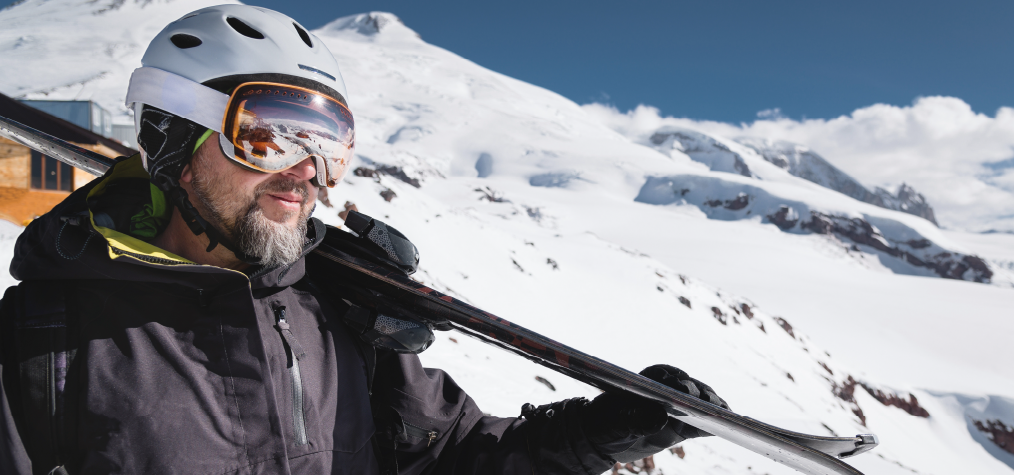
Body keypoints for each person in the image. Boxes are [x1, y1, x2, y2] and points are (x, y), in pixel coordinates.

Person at [0, 5, 727, 474]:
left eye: (327, 144)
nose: (305, 173)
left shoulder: (338, 319)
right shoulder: (43, 345)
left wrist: (596, 432)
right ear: (174, 142)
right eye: (268, 134)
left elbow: (452, 456)